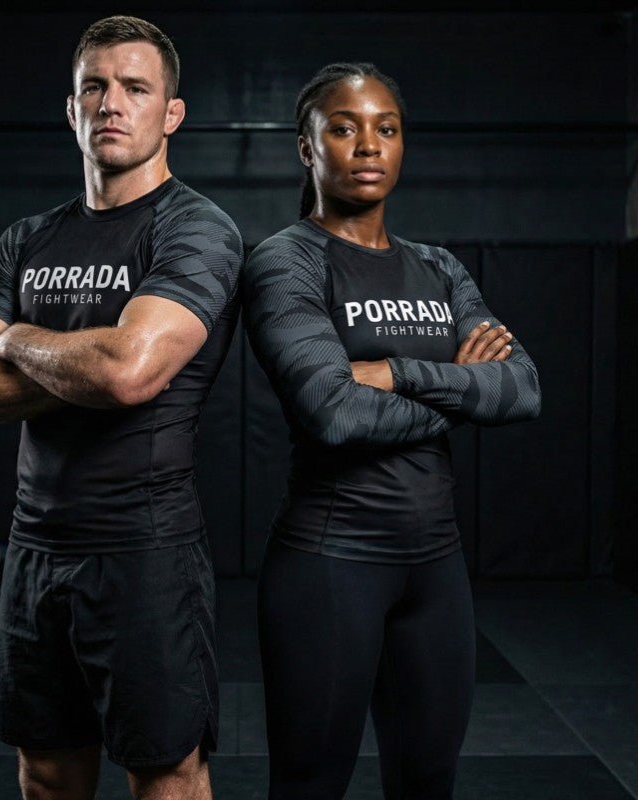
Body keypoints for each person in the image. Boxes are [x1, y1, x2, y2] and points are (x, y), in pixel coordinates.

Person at [0, 16, 242, 800]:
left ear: (170, 112)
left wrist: (17, 339)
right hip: (33, 549)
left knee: (166, 772)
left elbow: (129, 374)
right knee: (44, 769)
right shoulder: (26, 239)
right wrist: (86, 357)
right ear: (71, 111)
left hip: (144, 552)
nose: (112, 103)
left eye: (135, 88)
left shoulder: (196, 230)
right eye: (94, 88)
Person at [242, 62, 541, 800]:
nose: (368, 144)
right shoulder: (286, 262)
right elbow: (334, 413)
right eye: (343, 127)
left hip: (437, 570)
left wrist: (399, 372)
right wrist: (466, 392)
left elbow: (524, 387)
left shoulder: (438, 268)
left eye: (387, 128)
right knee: (310, 785)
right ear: (308, 148)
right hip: (330, 566)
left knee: (428, 782)